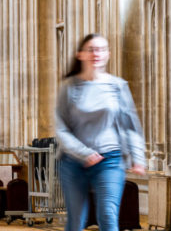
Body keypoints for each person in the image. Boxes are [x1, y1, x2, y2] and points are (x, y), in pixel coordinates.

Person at [55, 33, 146, 231]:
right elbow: (61, 128)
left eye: (101, 49)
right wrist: (83, 153)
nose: (96, 53)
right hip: (73, 162)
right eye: (91, 49)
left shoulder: (117, 86)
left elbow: (130, 124)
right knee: (76, 220)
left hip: (110, 159)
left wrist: (138, 157)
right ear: (81, 55)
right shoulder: (69, 87)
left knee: (108, 215)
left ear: (108, 54)